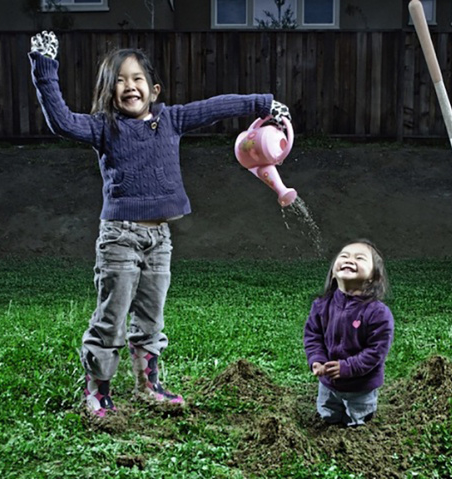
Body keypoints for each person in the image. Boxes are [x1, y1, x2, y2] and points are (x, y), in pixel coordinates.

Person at [28, 31, 291, 416]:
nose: (128, 86)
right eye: (119, 80)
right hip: (119, 237)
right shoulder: (105, 128)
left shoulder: (171, 119)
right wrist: (44, 67)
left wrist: (264, 103)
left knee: (151, 316)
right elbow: (62, 122)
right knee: (111, 315)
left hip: (160, 238)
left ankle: (148, 385)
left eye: (136, 79)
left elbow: (215, 107)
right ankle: (98, 391)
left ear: (154, 89)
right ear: (108, 92)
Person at [303, 239, 394, 426]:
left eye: (360, 258)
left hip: (360, 386)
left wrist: (347, 368)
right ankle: (331, 422)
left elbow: (376, 352)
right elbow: (313, 336)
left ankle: (355, 426)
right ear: (334, 274)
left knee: (358, 419)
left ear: (372, 277)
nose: (349, 259)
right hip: (328, 383)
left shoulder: (378, 313)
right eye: (343, 256)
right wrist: (317, 360)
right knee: (328, 413)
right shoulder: (321, 305)